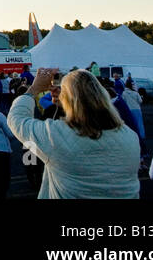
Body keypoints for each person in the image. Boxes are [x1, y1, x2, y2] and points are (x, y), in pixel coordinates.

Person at [7, 69, 140, 198]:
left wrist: (34, 89)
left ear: (68, 98)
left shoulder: (57, 135)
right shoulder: (130, 136)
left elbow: (16, 119)